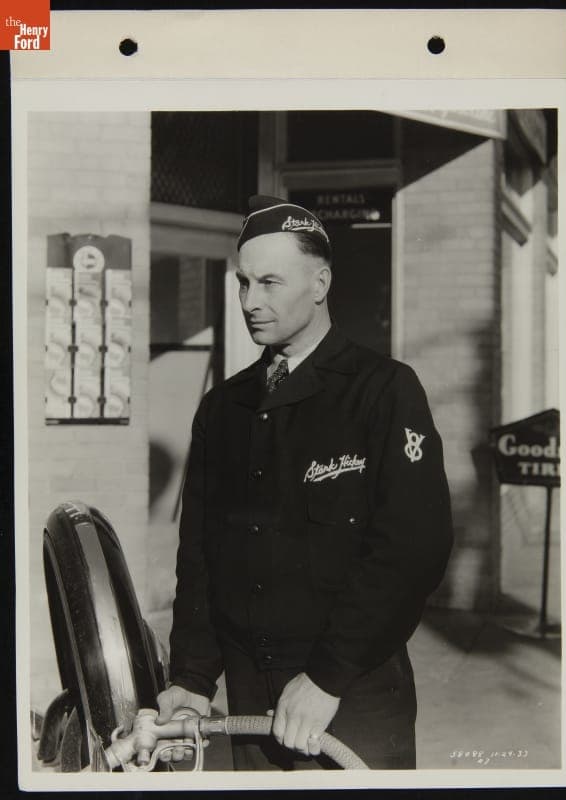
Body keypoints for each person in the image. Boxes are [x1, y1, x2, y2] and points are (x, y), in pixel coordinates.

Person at [156, 195, 453, 770]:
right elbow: (199, 556)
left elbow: (413, 550)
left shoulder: (384, 390)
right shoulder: (223, 408)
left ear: (320, 284)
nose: (249, 301)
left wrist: (327, 676)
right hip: (249, 693)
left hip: (351, 695)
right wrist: (192, 676)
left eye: (270, 282)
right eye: (244, 283)